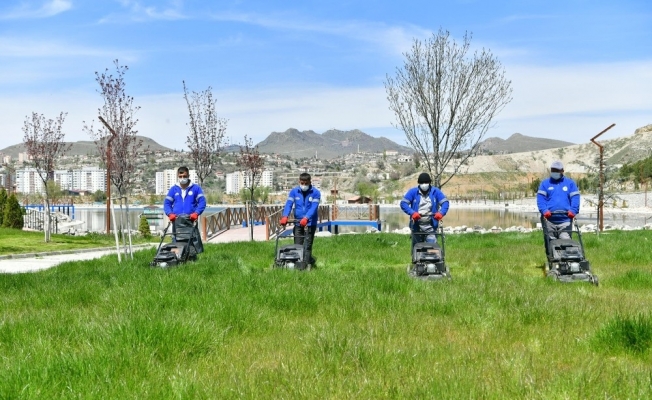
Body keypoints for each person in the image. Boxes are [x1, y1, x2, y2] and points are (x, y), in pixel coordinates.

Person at [279, 172, 321, 268]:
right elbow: (289, 204)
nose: (304, 185)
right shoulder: (294, 192)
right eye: (302, 183)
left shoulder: (315, 193)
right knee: (297, 245)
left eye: (306, 183)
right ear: (299, 181)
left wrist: (306, 218)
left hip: (310, 223)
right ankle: (297, 263)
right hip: (298, 222)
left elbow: (314, 207)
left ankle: (306, 265)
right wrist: (285, 216)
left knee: (307, 245)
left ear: (310, 182)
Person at [400, 172, 449, 250]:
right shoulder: (413, 192)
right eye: (422, 183)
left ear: (429, 182)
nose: (424, 184)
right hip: (416, 225)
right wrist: (412, 213)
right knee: (417, 248)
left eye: (426, 182)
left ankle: (432, 261)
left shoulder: (435, 191)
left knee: (432, 247)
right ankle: (416, 261)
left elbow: (445, 203)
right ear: (419, 183)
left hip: (431, 226)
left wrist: (441, 213)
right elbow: (403, 203)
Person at [164, 166, 206, 252]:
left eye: (184, 176)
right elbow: (167, 203)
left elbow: (202, 202)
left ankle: (194, 254)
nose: (182, 178)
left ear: (188, 176)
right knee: (177, 238)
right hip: (177, 220)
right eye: (180, 176)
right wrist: (169, 213)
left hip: (191, 219)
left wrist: (197, 213)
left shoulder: (195, 188)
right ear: (177, 176)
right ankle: (177, 256)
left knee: (193, 238)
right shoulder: (173, 189)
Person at [537, 160, 580, 240]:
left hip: (565, 220)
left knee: (566, 242)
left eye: (557, 170)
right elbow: (541, 199)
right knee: (551, 244)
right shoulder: (545, 184)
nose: (554, 172)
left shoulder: (570, 183)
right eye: (553, 170)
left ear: (562, 171)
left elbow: (575, 198)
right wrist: (544, 210)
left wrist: (573, 210)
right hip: (549, 220)